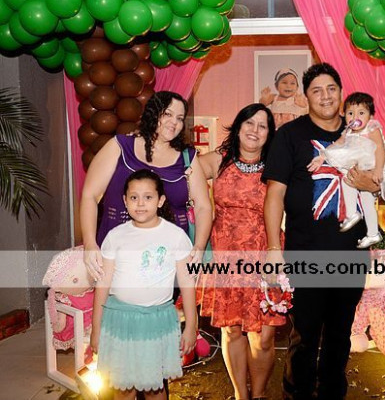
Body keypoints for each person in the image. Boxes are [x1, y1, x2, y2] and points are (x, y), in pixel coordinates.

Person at [263, 62, 367, 400]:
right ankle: (297, 393)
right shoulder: (289, 136)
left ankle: (332, 393)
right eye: (317, 90)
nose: (325, 96)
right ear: (306, 97)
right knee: (304, 337)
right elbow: (274, 195)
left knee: (340, 335)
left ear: (341, 93)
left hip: (351, 254)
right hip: (305, 253)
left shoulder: (359, 133)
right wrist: (274, 249)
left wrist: (370, 182)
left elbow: (379, 178)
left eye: (331, 89)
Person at [198, 104, 285, 400]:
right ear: (237, 127)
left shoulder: (277, 165)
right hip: (226, 256)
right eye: (249, 123)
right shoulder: (217, 161)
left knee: (263, 337)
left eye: (262, 126)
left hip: (266, 256)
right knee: (232, 330)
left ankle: (258, 394)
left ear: (269, 134)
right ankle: (240, 395)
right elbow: (178, 172)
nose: (254, 130)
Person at [81, 91, 212, 280]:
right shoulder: (120, 146)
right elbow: (89, 195)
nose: (174, 122)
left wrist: (199, 247)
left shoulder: (187, 158)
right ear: (153, 113)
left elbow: (203, 207)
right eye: (167, 114)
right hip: (117, 256)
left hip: (168, 261)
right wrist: (89, 244)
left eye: (180, 118)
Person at [90, 169, 196, 399]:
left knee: (155, 387)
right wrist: (96, 328)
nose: (140, 203)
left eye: (148, 197)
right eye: (134, 197)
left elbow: (187, 283)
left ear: (161, 200)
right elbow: (103, 284)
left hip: (157, 322)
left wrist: (191, 325)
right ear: (125, 201)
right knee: (123, 387)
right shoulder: (115, 236)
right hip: (120, 321)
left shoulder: (176, 236)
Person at [307, 92, 385, 248]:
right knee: (349, 183)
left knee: (366, 199)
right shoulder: (348, 131)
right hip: (356, 166)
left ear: (370, 116)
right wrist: (322, 155)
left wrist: (378, 170)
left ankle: (369, 230)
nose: (355, 117)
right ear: (344, 115)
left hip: (369, 166)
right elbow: (337, 144)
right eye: (350, 113)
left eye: (361, 113)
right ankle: (359, 220)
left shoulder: (371, 129)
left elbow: (380, 150)